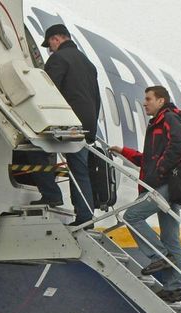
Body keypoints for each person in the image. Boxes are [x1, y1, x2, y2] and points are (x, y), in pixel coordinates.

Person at [110, 85, 181, 302]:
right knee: (171, 239)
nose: (145, 103)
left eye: (148, 99)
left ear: (161, 101)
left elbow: (178, 146)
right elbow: (148, 160)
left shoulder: (169, 119)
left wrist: (159, 173)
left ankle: (160, 256)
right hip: (166, 185)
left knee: (132, 216)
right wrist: (123, 151)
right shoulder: (158, 123)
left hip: (165, 185)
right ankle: (174, 288)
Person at [35, 24, 101, 226]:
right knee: (80, 170)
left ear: (56, 39)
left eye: (49, 45)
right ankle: (85, 217)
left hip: (67, 123)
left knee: (36, 149)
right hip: (86, 124)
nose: (50, 50)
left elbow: (48, 90)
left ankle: (51, 194)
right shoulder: (88, 64)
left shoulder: (58, 59)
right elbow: (95, 98)